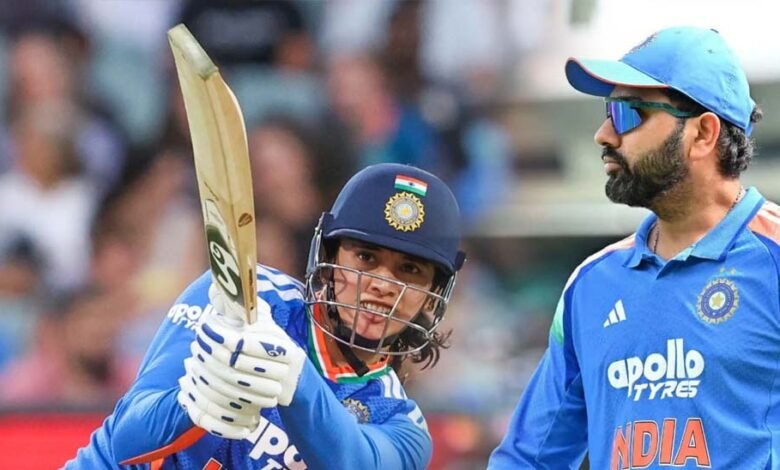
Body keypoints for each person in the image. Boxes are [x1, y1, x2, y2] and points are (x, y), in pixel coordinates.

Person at [489, 26, 780, 469]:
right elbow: (529, 458)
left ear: (703, 133)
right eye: (607, 111)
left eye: (628, 113)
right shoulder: (591, 285)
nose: (604, 134)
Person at [66, 162, 465, 469]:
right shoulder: (245, 296)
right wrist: (194, 402)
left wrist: (294, 378)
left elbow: (357, 464)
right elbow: (126, 441)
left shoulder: (401, 423)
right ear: (328, 258)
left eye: (409, 270)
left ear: (433, 296)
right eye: (366, 257)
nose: (382, 284)